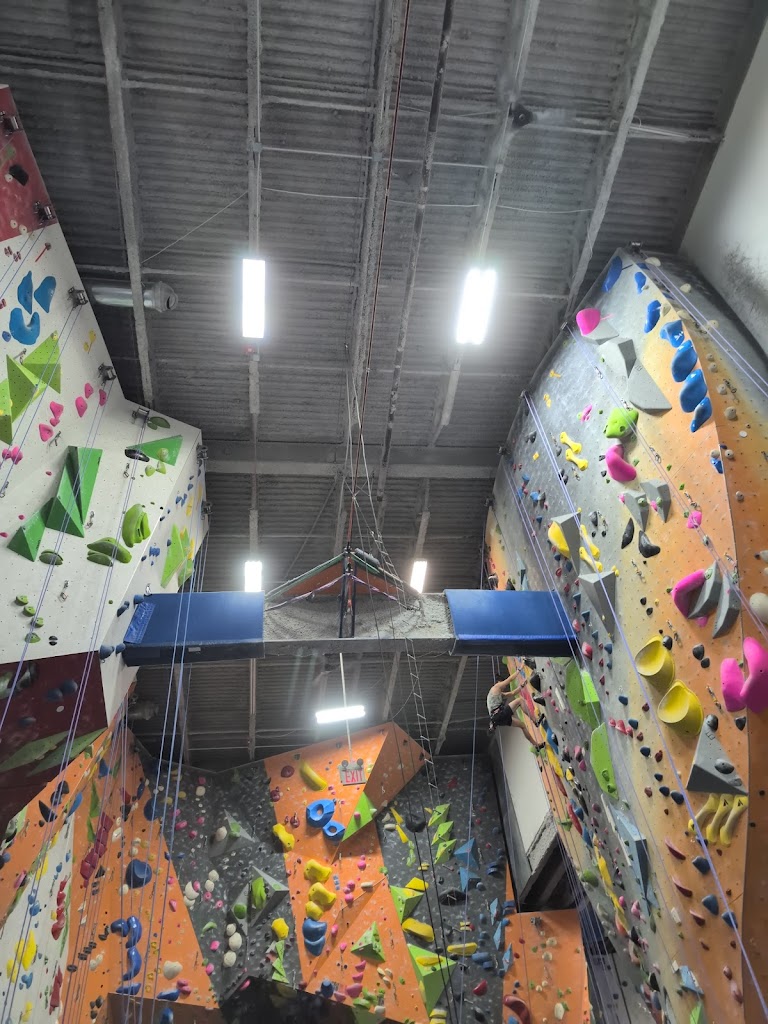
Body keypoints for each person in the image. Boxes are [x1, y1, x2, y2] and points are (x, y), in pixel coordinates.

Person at [487, 673, 544, 748]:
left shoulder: (499, 693)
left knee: (522, 725)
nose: (505, 686)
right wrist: (518, 670)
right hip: (498, 714)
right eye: (503, 684)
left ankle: (536, 745)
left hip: (497, 720)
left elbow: (512, 693)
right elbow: (510, 679)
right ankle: (535, 721)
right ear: (499, 682)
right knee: (520, 701)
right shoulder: (496, 687)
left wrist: (522, 686)